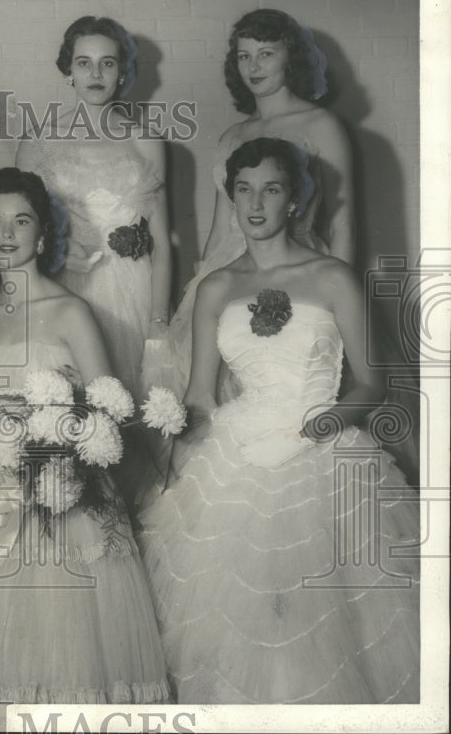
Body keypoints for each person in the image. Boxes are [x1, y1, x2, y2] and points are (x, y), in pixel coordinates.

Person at [137, 138, 419, 703]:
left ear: (294, 199)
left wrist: (310, 431)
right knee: (236, 616)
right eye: (243, 190)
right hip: (236, 453)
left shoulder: (332, 276)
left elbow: (372, 384)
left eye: (271, 189)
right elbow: (200, 395)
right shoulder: (216, 286)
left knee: (319, 617)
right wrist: (175, 478)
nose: (255, 203)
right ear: (231, 198)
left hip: (322, 448)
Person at [0, 167, 170, 704]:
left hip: (67, 503)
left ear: (43, 236)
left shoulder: (71, 312)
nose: (7, 233)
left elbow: (108, 409)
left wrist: (61, 460)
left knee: (70, 661)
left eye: (22, 221)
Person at [155, 8, 355, 400]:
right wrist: (197, 295)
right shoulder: (233, 135)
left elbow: (343, 224)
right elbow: (219, 231)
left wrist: (338, 302)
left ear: (290, 57)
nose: (253, 66)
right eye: (244, 56)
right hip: (230, 276)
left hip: (295, 269)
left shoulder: (321, 126)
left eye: (266, 54)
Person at [16, 16, 171, 403]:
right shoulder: (38, 144)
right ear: (68, 71)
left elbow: (162, 243)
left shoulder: (146, 141)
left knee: (131, 410)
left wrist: (158, 323)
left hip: (134, 290)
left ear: (122, 72)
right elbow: (20, 237)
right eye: (84, 62)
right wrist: (57, 249)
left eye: (108, 63)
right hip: (67, 287)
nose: (96, 74)